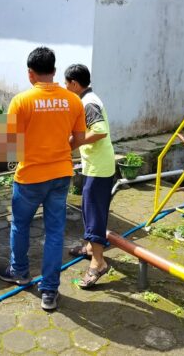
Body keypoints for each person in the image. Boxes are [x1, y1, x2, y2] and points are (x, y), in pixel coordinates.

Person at [0, 47, 86, 311]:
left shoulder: (22, 101)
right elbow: (80, 140)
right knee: (54, 233)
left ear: (30, 74)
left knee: (20, 226)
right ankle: (49, 291)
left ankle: (20, 271)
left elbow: (6, 143)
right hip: (61, 175)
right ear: (53, 70)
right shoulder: (73, 100)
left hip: (30, 178)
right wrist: (59, 150)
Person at [65, 64, 116, 288]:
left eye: (67, 84)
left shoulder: (89, 102)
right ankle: (88, 248)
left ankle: (98, 263)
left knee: (94, 213)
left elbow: (99, 130)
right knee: (88, 207)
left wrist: (74, 142)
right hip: (94, 165)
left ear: (75, 84)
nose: (66, 88)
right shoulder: (86, 99)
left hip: (99, 168)